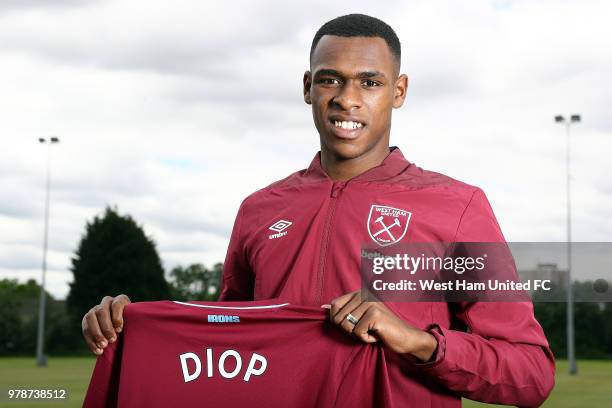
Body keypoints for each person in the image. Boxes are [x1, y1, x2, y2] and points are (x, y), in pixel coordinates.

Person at [82, 14, 555, 407]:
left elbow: (531, 375)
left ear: (399, 91)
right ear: (309, 87)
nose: (347, 99)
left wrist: (417, 340)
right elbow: (222, 347)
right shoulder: (259, 209)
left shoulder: (459, 206)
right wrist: (135, 324)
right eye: (331, 79)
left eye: (370, 82)